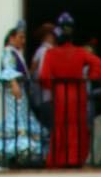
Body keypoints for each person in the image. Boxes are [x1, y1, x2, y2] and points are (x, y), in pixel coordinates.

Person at [38, 17, 96, 168]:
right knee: (77, 125)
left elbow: (43, 77)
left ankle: (60, 159)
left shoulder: (50, 53)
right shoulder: (80, 52)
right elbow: (97, 64)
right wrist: (89, 78)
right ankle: (76, 158)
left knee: (61, 125)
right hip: (78, 94)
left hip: (60, 95)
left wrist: (52, 87)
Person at [0, 25, 45, 167]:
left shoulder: (16, 53)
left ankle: (24, 153)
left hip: (21, 94)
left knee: (23, 118)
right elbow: (8, 68)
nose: (23, 41)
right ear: (12, 38)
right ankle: (16, 152)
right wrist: (14, 83)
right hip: (15, 94)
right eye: (20, 37)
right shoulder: (8, 52)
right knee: (17, 119)